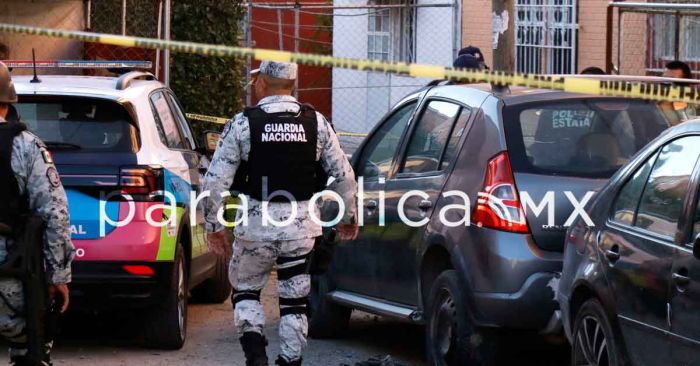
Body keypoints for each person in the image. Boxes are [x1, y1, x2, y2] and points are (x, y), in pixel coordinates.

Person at [202, 61, 358, 366]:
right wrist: (347, 218)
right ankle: (290, 360)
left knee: (246, 291)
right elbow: (344, 175)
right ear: (293, 86)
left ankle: (256, 357)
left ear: (262, 83)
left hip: (255, 228)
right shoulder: (317, 123)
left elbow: (215, 180)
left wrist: (214, 224)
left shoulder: (243, 123)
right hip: (300, 231)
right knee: (294, 302)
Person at [0, 61, 74, 365]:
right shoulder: (25, 146)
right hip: (11, 272)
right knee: (31, 346)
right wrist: (58, 275)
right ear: (6, 103)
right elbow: (54, 212)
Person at [661, 60, 697, 125]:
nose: (669, 85)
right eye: (665, 80)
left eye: (674, 81)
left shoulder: (693, 103)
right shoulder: (652, 103)